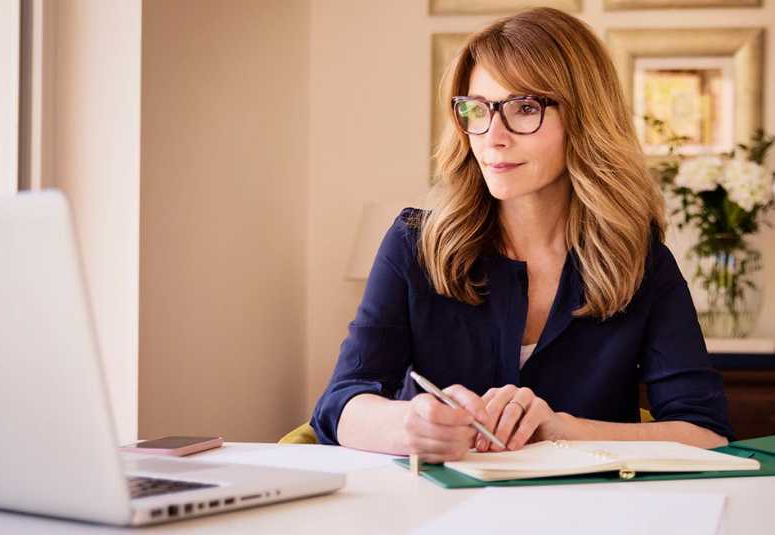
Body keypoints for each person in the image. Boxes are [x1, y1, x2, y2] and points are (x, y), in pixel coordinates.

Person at [310, 7, 732, 463]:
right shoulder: (415, 243)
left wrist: (561, 429)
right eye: (476, 109)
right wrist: (408, 426)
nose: (493, 135)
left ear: (585, 118)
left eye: (525, 107)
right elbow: (340, 405)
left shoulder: (640, 259)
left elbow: (706, 433)